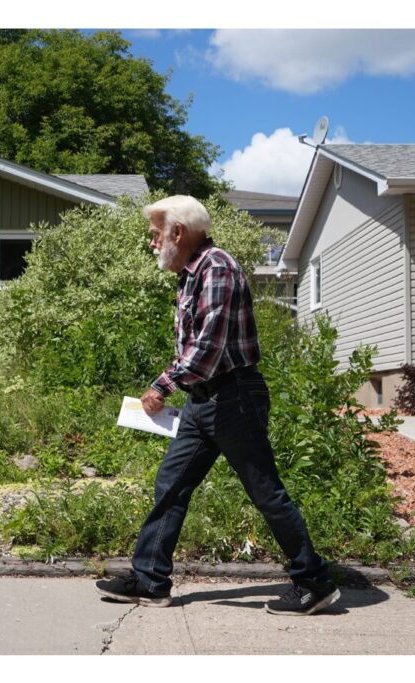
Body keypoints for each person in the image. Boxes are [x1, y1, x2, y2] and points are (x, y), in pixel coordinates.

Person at [95, 195, 340, 616]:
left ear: (178, 232)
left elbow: (210, 345)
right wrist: (175, 385)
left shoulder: (217, 268)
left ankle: (313, 581)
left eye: (156, 235)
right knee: (170, 485)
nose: (152, 244)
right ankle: (151, 581)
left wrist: (162, 386)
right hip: (203, 401)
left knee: (265, 492)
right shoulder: (191, 275)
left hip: (233, 397)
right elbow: (195, 348)